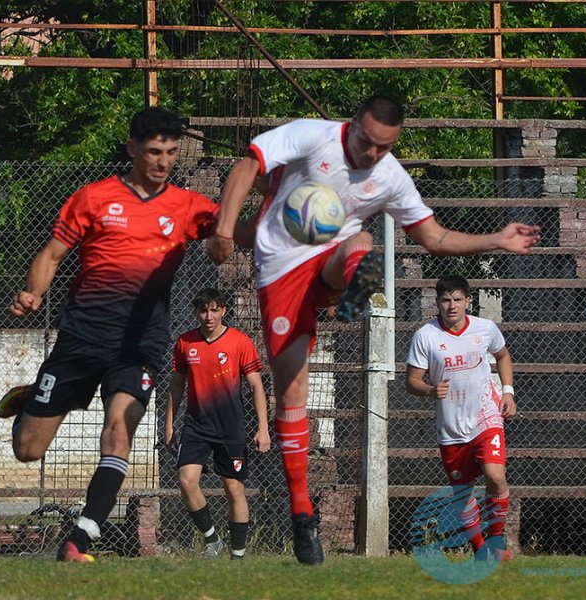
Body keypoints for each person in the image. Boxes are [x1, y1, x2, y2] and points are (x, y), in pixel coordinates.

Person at [204, 95, 540, 565]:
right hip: (281, 273)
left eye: (384, 148)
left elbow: (435, 238)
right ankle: (303, 516)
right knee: (292, 391)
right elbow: (246, 166)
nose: (371, 155)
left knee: (361, 238)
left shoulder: (388, 176)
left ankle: (354, 291)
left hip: (332, 260)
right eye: (366, 143)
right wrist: (222, 230)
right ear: (353, 126)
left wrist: (497, 240)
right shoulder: (312, 134)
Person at [0, 107, 219, 563]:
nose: (163, 161)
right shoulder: (95, 199)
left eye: (172, 152)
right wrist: (32, 292)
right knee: (27, 450)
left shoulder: (188, 206)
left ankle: (80, 538)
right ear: (132, 149)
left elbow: (233, 236)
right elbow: (52, 254)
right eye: (155, 151)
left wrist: (285, 219)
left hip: (139, 344)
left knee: (119, 432)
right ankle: (31, 399)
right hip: (81, 338)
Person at [405, 274, 517, 562]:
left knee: (495, 475)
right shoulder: (425, 336)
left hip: (485, 415)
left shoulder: (485, 328)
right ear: (437, 303)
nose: (451, 306)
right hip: (452, 426)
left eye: (457, 299)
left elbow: (503, 356)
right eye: (445, 300)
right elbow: (411, 381)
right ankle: (480, 549)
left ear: (467, 301)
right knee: (463, 493)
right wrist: (430, 390)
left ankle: (496, 538)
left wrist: (507, 392)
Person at [164, 288, 270, 560]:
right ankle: (212, 539)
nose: (209, 316)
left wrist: (263, 428)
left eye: (214, 310)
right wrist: (169, 425)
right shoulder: (185, 342)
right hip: (195, 426)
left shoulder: (240, 342)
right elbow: (176, 385)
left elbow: (257, 387)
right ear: (197, 312)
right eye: (203, 310)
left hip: (230, 427)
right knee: (187, 481)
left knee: (234, 489)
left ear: (223, 310)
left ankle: (237, 556)